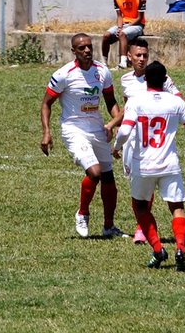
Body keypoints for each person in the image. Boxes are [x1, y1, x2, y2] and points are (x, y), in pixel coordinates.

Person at [113, 61, 185, 270]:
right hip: (169, 165)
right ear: (166, 80)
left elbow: (124, 131)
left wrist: (116, 147)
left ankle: (158, 249)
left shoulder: (136, 101)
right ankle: (181, 250)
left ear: (146, 80)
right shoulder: (175, 103)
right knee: (177, 208)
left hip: (144, 165)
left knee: (140, 207)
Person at [41, 33, 126, 238]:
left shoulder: (102, 71)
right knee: (94, 173)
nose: (87, 50)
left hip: (97, 129)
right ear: (74, 51)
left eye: (89, 47)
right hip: (74, 130)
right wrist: (46, 132)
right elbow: (46, 103)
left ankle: (108, 227)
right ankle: (83, 212)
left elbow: (110, 100)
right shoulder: (64, 74)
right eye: (81, 48)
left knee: (108, 179)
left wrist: (119, 125)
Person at [106, 38, 182, 244]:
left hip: (154, 141)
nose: (142, 59)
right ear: (129, 56)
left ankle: (142, 229)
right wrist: (113, 124)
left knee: (148, 177)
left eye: (145, 55)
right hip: (131, 138)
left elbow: (178, 100)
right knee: (136, 181)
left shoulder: (160, 77)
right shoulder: (126, 80)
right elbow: (127, 109)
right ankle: (145, 225)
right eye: (138, 55)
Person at [101, 0, 146, 69]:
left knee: (122, 34)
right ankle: (104, 63)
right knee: (106, 36)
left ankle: (123, 63)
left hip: (137, 25)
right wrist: (119, 27)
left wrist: (125, 28)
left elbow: (140, 17)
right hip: (124, 24)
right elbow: (119, 15)